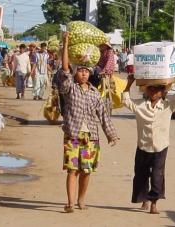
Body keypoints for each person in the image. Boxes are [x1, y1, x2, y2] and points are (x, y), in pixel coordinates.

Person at [58, 33, 118, 213]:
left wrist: (111, 135)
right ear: (76, 73)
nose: (83, 74)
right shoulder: (69, 89)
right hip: (73, 134)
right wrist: (66, 44)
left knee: (86, 171)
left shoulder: (94, 94)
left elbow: (104, 116)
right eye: (80, 71)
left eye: (86, 71)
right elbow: (64, 70)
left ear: (90, 74)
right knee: (72, 170)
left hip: (91, 137)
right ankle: (70, 202)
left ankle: (81, 200)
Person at [122, 73, 175, 214]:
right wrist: (129, 83)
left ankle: (153, 203)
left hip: (161, 146)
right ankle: (144, 199)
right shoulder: (140, 105)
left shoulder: (167, 105)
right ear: (147, 90)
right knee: (141, 174)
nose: (153, 93)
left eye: (157, 90)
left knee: (157, 176)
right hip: (143, 145)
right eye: (151, 89)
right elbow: (126, 100)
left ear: (162, 92)